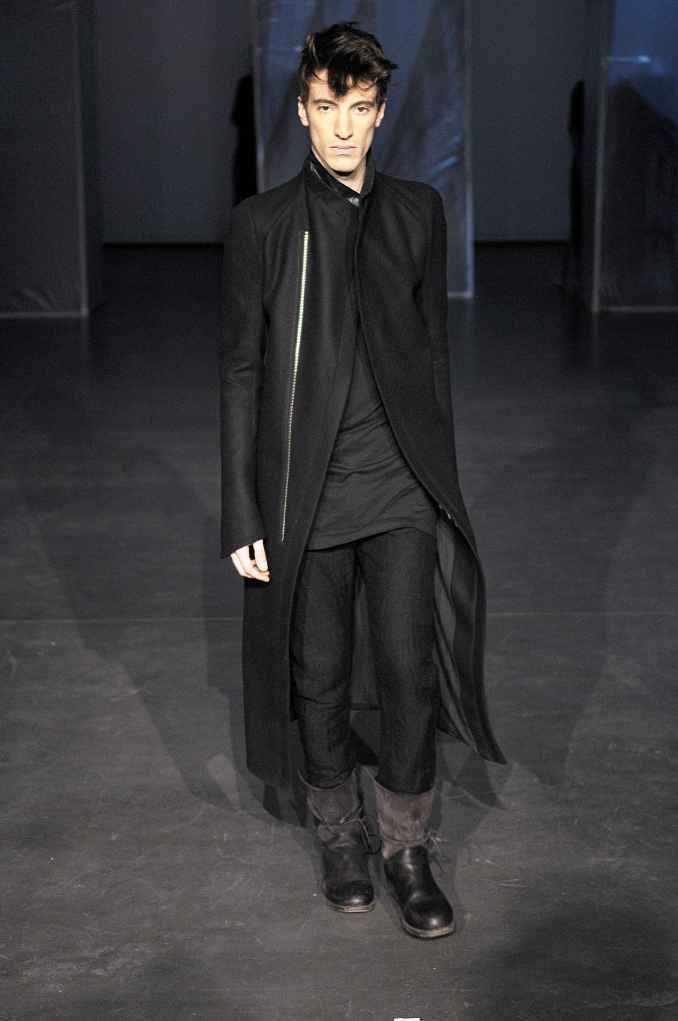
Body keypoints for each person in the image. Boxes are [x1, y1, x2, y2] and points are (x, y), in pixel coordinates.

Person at [221, 21, 505, 939]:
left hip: (397, 487)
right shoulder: (264, 225)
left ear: (381, 115)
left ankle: (408, 846)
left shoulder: (419, 213)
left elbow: (433, 359)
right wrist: (242, 509)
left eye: (361, 108)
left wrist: (440, 484)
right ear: (303, 111)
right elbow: (242, 371)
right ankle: (340, 834)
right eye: (327, 106)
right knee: (320, 672)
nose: (343, 127)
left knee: (408, 668)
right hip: (306, 495)